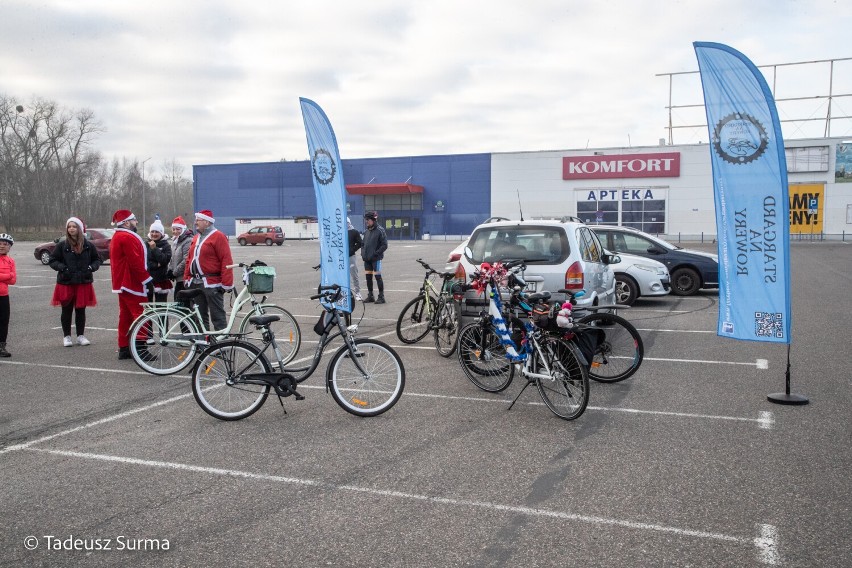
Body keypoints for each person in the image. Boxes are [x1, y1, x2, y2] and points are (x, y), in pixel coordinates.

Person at [48, 217, 102, 347]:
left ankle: (80, 336)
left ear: (80, 228)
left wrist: (91, 267)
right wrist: (63, 268)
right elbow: (53, 260)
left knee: (80, 310)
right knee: (66, 310)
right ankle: (67, 336)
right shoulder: (62, 245)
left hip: (83, 281)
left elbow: (97, 260)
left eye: (74, 226)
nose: (71, 229)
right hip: (66, 282)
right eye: (69, 226)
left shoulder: (88, 245)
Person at [109, 209, 152, 360]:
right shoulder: (126, 237)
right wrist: (147, 279)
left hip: (123, 283)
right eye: (134, 220)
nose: (136, 222)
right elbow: (135, 262)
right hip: (131, 283)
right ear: (126, 222)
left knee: (125, 316)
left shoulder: (118, 236)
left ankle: (124, 347)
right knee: (141, 314)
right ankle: (140, 348)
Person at [183, 209, 234, 331]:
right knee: (199, 317)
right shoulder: (196, 238)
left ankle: (222, 345)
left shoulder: (218, 237)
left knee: (217, 317)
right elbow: (189, 259)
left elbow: (226, 260)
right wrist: (186, 278)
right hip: (195, 283)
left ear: (207, 222)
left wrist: (226, 284)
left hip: (212, 284)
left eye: (198, 220)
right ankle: (204, 345)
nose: (195, 222)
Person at [360, 211, 388, 304]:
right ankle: (370, 296)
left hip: (376, 259)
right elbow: (363, 244)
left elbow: (384, 245)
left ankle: (381, 297)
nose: (366, 222)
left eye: (367, 220)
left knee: (378, 277)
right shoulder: (367, 231)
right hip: (367, 260)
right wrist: (363, 254)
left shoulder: (380, 230)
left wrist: (376, 254)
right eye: (365, 220)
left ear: (373, 220)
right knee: (368, 277)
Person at [145, 219, 173, 303]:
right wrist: (155, 265)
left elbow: (164, 260)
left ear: (161, 233)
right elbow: (144, 261)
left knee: (161, 308)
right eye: (152, 231)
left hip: (161, 280)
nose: (154, 234)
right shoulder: (145, 244)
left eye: (157, 232)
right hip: (148, 279)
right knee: (147, 307)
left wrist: (155, 249)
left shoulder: (166, 245)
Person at [0, 233, 16, 357]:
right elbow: (9, 277)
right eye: (0, 243)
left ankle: (2, 346)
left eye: (5, 244)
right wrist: (7, 276)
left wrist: (7, 277)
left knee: (4, 321)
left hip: (4, 295)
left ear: (9, 247)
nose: (2, 246)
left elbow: (13, 280)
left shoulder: (10, 261)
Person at [347, 217, 363, 301]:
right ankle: (344, 293)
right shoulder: (339, 232)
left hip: (351, 256)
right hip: (341, 258)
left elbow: (360, 242)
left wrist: (352, 249)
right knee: (343, 276)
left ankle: (358, 293)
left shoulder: (354, 232)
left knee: (354, 275)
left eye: (347, 223)